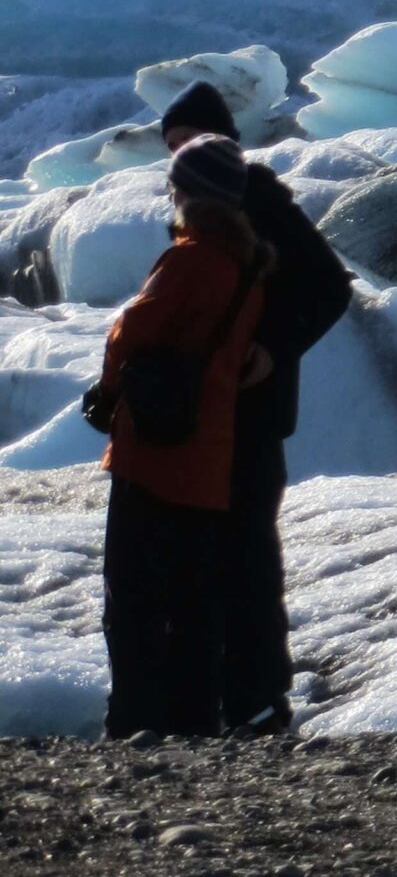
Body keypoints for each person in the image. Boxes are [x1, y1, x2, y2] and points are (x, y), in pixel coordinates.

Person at [158, 81, 354, 734]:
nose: (179, 157)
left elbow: (329, 285)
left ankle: (261, 696)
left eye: (187, 142)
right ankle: (223, 694)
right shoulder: (199, 206)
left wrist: (272, 347)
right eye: (174, 147)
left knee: (246, 554)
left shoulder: (258, 199)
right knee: (210, 557)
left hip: (252, 414)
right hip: (208, 415)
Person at [92, 135, 271, 738]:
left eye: (176, 188)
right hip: (207, 457)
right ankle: (195, 724)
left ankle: (133, 725)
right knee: (193, 604)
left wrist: (110, 388)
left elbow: (130, 334)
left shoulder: (191, 259)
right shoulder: (245, 265)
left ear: (192, 196)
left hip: (153, 452)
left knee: (134, 602)